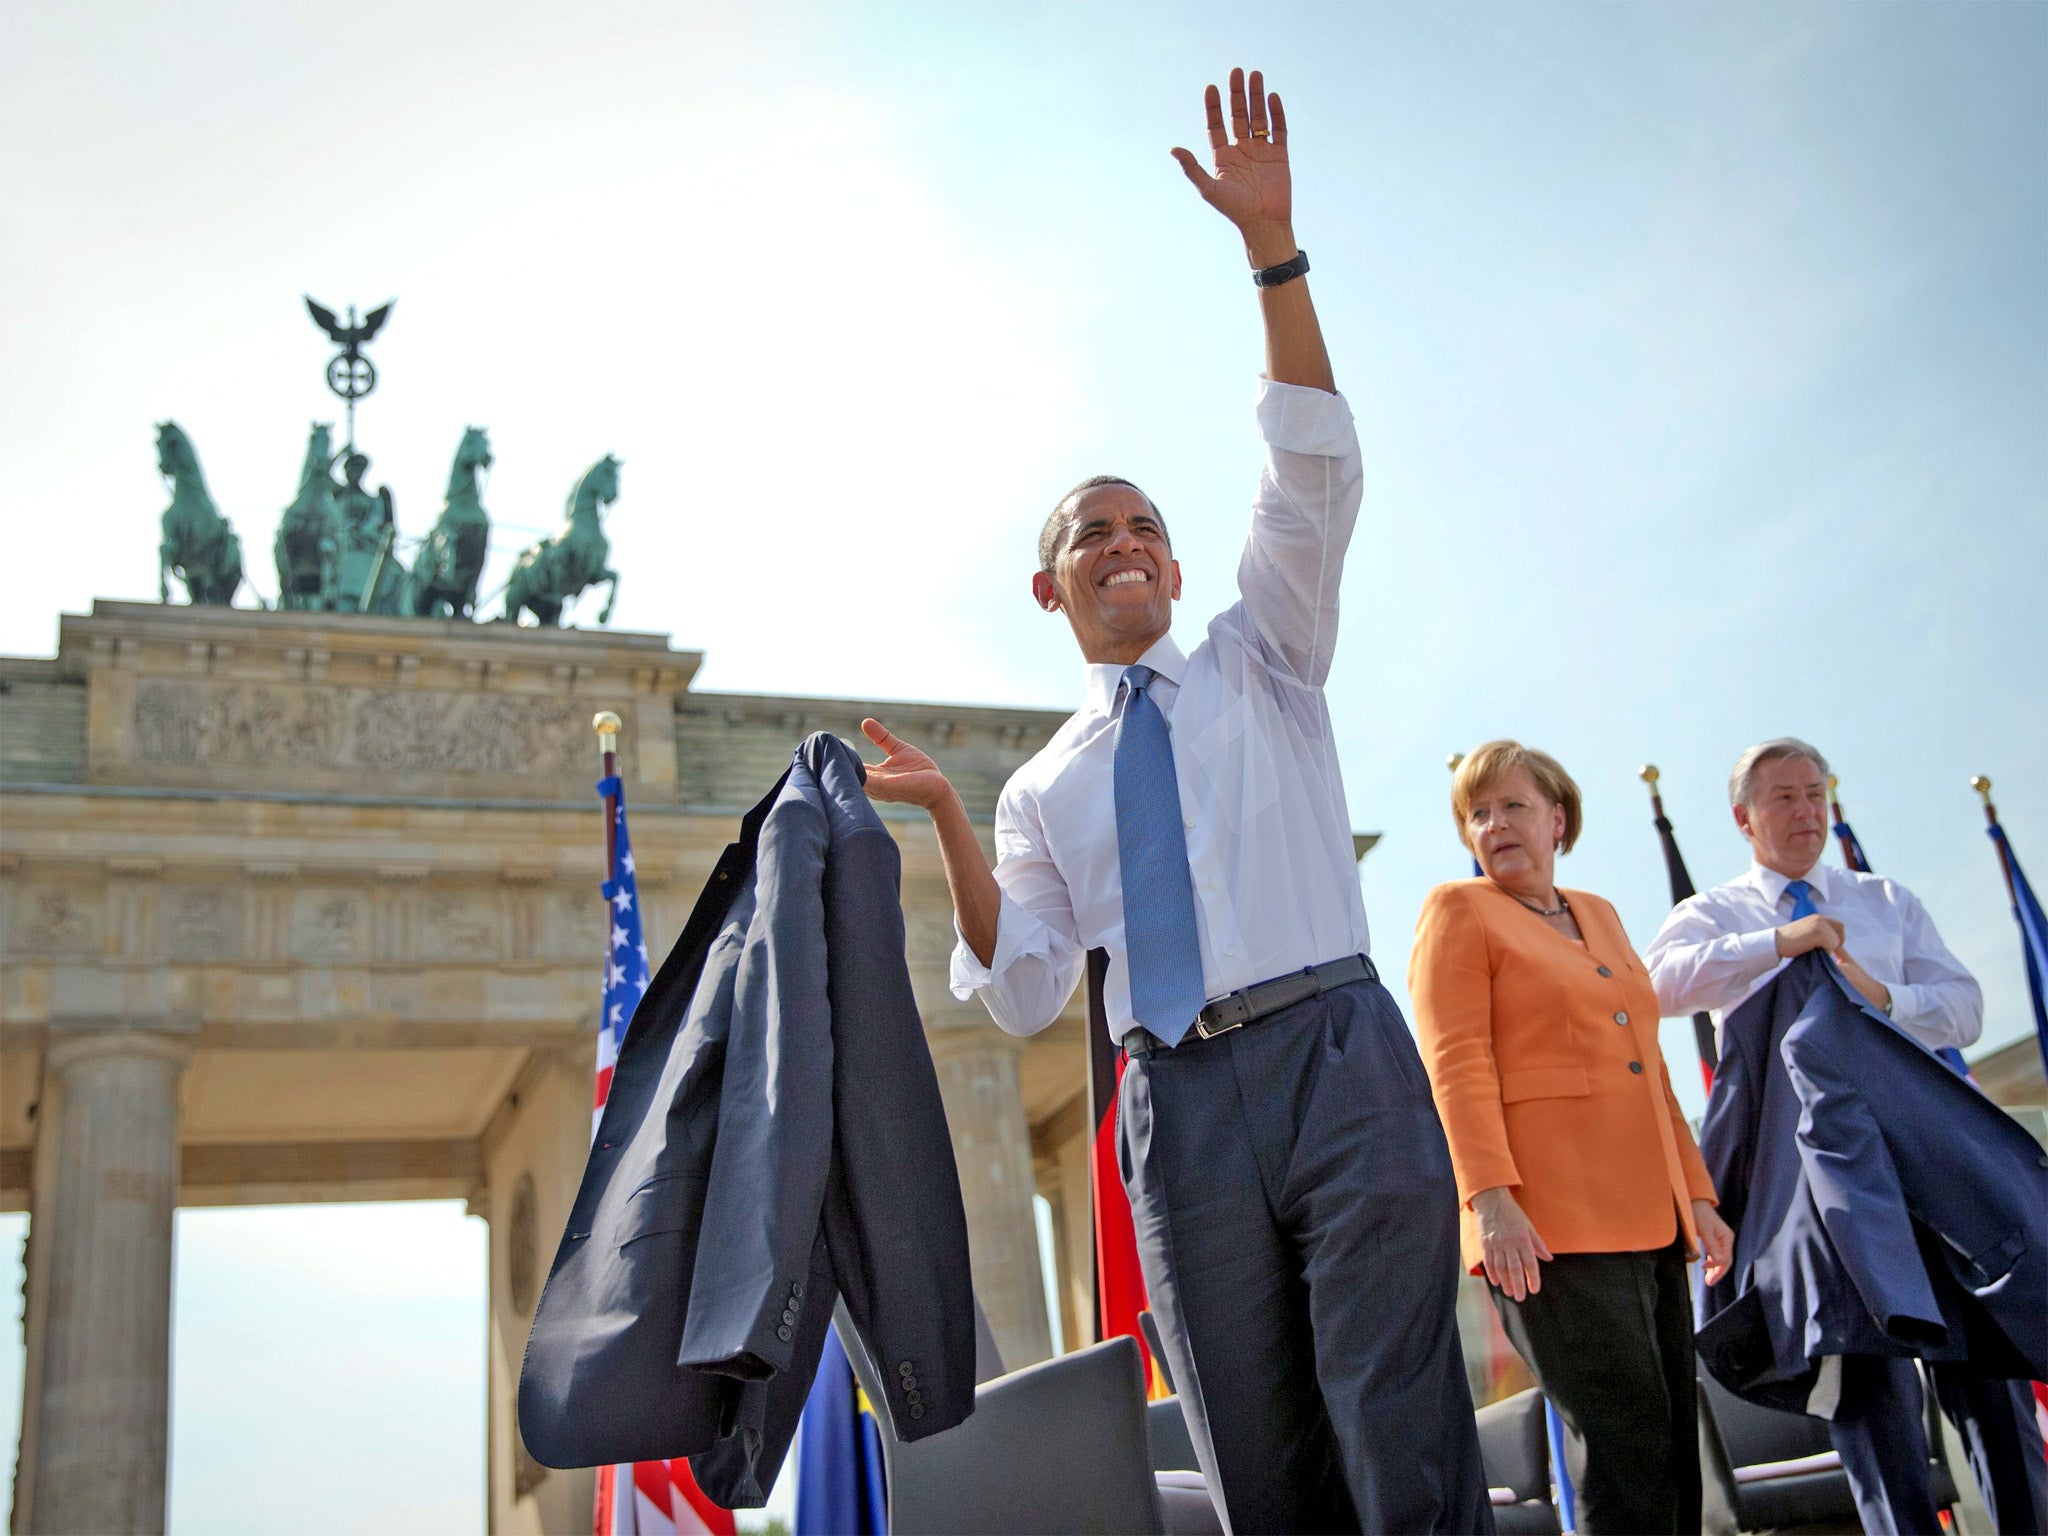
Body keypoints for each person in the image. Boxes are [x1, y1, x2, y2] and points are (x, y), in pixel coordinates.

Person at [859, 67, 1492, 1536]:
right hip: (1180, 1107)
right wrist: (951, 821)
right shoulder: (1041, 788)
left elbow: (1313, 474)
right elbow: (1022, 990)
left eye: (1149, 526)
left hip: (1334, 1054)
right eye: (1096, 531)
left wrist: (1273, 250)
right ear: (1051, 584)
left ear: (1182, 569)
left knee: (1399, 1432)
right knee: (1261, 1467)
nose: (1128, 542)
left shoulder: (1264, 656)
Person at [1648, 737, 2048, 1536]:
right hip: (1816, 1188)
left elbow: (1962, 1006)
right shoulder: (1714, 913)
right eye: (1785, 798)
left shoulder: (1884, 900)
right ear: (1744, 817)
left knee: (1990, 1385)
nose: (1806, 811)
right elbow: (1657, 985)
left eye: (1815, 795)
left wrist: (1879, 995)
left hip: (1927, 1172)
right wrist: (1780, 944)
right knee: (1871, 1395)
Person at [1409, 739, 1735, 1535]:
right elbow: (1454, 1062)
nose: (1493, 825)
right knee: (1623, 1448)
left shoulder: (1602, 914)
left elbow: (1649, 1067)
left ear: (1557, 819)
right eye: (1476, 814)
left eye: (1512, 806)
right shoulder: (1458, 910)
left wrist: (1697, 1194)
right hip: (1543, 1226)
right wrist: (1490, 1198)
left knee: (1670, 1445)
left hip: (1649, 1216)